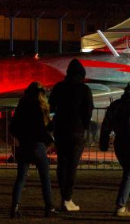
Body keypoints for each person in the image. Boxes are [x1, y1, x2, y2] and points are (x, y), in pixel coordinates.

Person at [49, 58, 94, 212]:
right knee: (72, 166)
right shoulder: (85, 89)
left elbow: (51, 106)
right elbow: (88, 111)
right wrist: (84, 126)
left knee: (62, 163)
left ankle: (63, 197)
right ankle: (67, 198)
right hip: (77, 130)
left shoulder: (59, 87)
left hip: (61, 130)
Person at [9, 82, 57, 218]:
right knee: (44, 178)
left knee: (21, 178)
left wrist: (21, 137)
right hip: (37, 145)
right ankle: (49, 207)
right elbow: (41, 129)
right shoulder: (39, 107)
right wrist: (49, 139)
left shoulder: (21, 106)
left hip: (24, 145)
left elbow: (13, 127)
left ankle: (15, 207)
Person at [99, 81, 130, 217]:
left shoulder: (115, 105)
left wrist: (104, 142)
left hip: (119, 142)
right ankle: (120, 205)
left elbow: (106, 125)